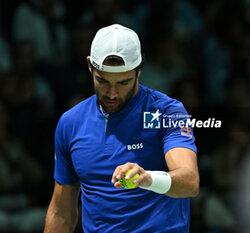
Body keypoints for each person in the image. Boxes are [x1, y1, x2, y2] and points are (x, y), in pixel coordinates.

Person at [44, 24, 199, 233]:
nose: (112, 93)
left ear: (139, 69)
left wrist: (148, 179)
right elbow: (61, 214)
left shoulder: (168, 112)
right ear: (90, 66)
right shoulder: (70, 122)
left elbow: (190, 181)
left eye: (124, 82)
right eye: (102, 81)